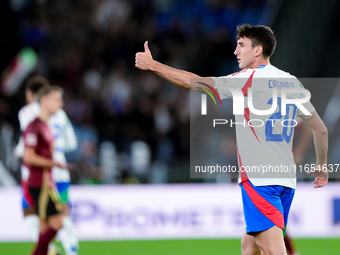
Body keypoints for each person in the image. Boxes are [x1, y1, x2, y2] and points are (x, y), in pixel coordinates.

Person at [135, 24, 328, 255]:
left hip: (259, 181)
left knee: (273, 251)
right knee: (249, 247)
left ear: (257, 50)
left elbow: (194, 83)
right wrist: (321, 165)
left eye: (241, 45)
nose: (236, 52)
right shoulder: (292, 83)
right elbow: (320, 129)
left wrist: (154, 65)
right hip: (286, 181)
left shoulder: (246, 80)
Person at [15, 76, 79, 255]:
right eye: (57, 98)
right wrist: (55, 153)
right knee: (62, 216)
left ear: (30, 95)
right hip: (58, 174)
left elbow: (25, 148)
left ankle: (47, 249)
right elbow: (72, 144)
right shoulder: (60, 115)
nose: (60, 103)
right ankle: (70, 250)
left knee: (32, 215)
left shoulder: (27, 113)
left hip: (37, 175)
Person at [23, 85, 67, 255]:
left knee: (44, 227)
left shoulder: (46, 126)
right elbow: (28, 156)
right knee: (57, 223)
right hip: (39, 183)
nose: (60, 103)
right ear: (44, 100)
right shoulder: (35, 126)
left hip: (47, 181)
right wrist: (54, 164)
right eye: (56, 99)